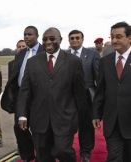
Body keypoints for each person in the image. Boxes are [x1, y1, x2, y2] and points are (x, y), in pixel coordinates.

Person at [17, 27, 86, 162]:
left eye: (52, 39)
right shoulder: (33, 62)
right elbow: (25, 91)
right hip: (39, 119)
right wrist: (22, 114)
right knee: (42, 155)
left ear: (60, 40)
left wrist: (80, 117)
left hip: (64, 118)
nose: (48, 42)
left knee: (62, 150)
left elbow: (80, 93)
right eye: (45, 39)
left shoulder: (73, 61)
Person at [1, 26, 44, 162]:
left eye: (30, 34)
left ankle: (42, 156)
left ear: (37, 35)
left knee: (39, 129)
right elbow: (14, 77)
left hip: (39, 97)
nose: (26, 37)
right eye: (25, 34)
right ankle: (27, 156)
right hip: (22, 96)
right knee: (19, 128)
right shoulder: (20, 54)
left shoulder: (44, 52)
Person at [92, 21, 131, 162]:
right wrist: (96, 113)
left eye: (119, 36)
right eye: (112, 36)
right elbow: (101, 90)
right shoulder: (105, 61)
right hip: (112, 121)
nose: (114, 40)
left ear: (130, 38)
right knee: (114, 157)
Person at [68, 30, 100, 162]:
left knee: (86, 126)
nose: (75, 40)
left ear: (82, 39)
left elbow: (98, 77)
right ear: (68, 40)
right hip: (68, 96)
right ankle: (66, 150)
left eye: (77, 38)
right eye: (72, 38)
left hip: (87, 95)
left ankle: (85, 153)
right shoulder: (63, 55)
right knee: (67, 124)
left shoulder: (92, 54)